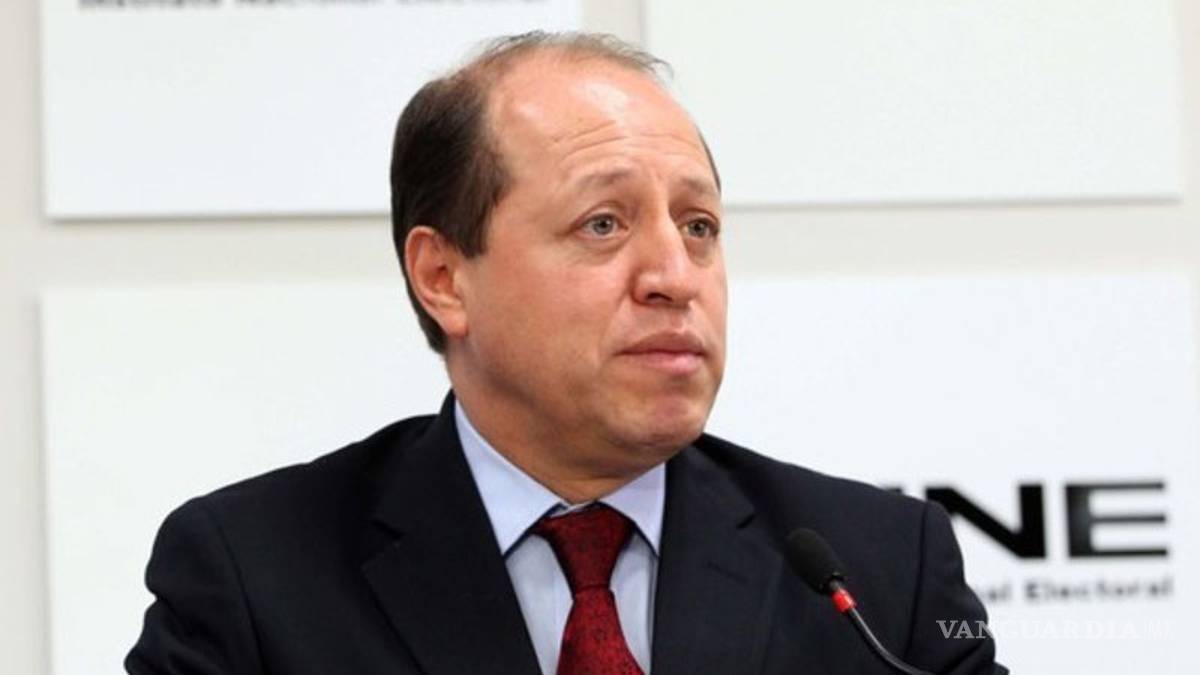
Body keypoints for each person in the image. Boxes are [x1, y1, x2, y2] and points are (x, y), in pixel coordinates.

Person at [127, 32, 1005, 675]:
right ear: (444, 277)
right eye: (603, 223)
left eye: (699, 226)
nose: (675, 275)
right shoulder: (255, 580)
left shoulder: (880, 572)